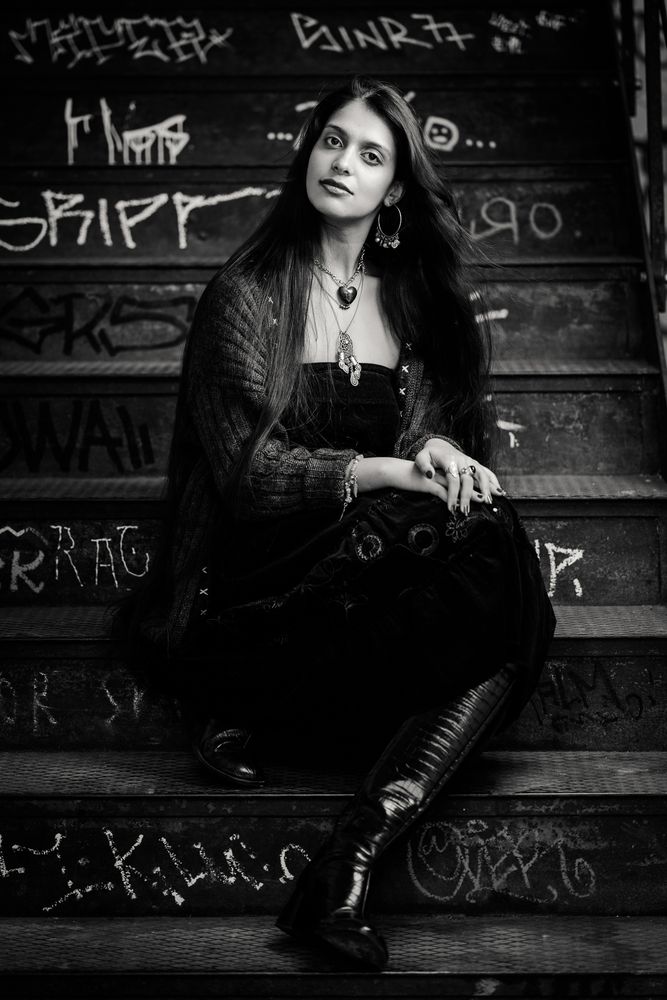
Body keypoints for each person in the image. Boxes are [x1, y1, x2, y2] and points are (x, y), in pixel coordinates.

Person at [120, 76, 555, 970]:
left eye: (368, 154)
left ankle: (347, 856)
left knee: (494, 546)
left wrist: (433, 449)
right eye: (330, 142)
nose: (341, 164)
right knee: (505, 591)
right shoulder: (245, 294)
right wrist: (392, 469)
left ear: (394, 188)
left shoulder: (415, 305)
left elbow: (423, 461)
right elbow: (249, 478)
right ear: (306, 151)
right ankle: (265, 737)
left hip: (363, 600)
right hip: (261, 600)